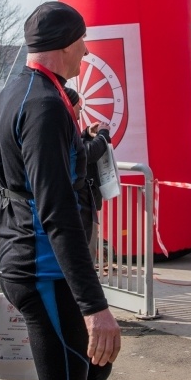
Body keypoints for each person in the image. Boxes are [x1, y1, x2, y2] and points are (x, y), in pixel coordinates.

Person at [0, 1, 121, 380]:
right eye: (81, 42)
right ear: (63, 44)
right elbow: (57, 211)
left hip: (28, 263)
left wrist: (15, 232)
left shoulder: (10, 95)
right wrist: (95, 307)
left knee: (93, 369)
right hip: (44, 271)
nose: (86, 51)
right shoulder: (45, 106)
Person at [64, 87, 110, 262]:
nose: (81, 110)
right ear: (69, 105)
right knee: (83, 249)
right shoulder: (62, 124)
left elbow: (77, 146)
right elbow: (85, 153)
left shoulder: (64, 124)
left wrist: (85, 133)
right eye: (78, 106)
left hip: (80, 197)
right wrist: (103, 135)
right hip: (78, 199)